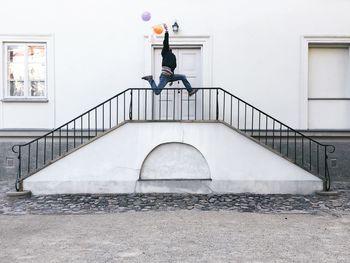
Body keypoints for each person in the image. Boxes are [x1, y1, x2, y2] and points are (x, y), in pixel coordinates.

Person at [142, 24, 198, 96]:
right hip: (164, 76)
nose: (169, 47)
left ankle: (190, 91)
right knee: (157, 92)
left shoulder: (173, 56)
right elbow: (166, 42)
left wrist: (172, 80)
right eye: (168, 47)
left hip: (171, 76)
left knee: (183, 77)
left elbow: (172, 67)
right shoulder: (165, 52)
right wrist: (166, 31)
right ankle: (150, 79)